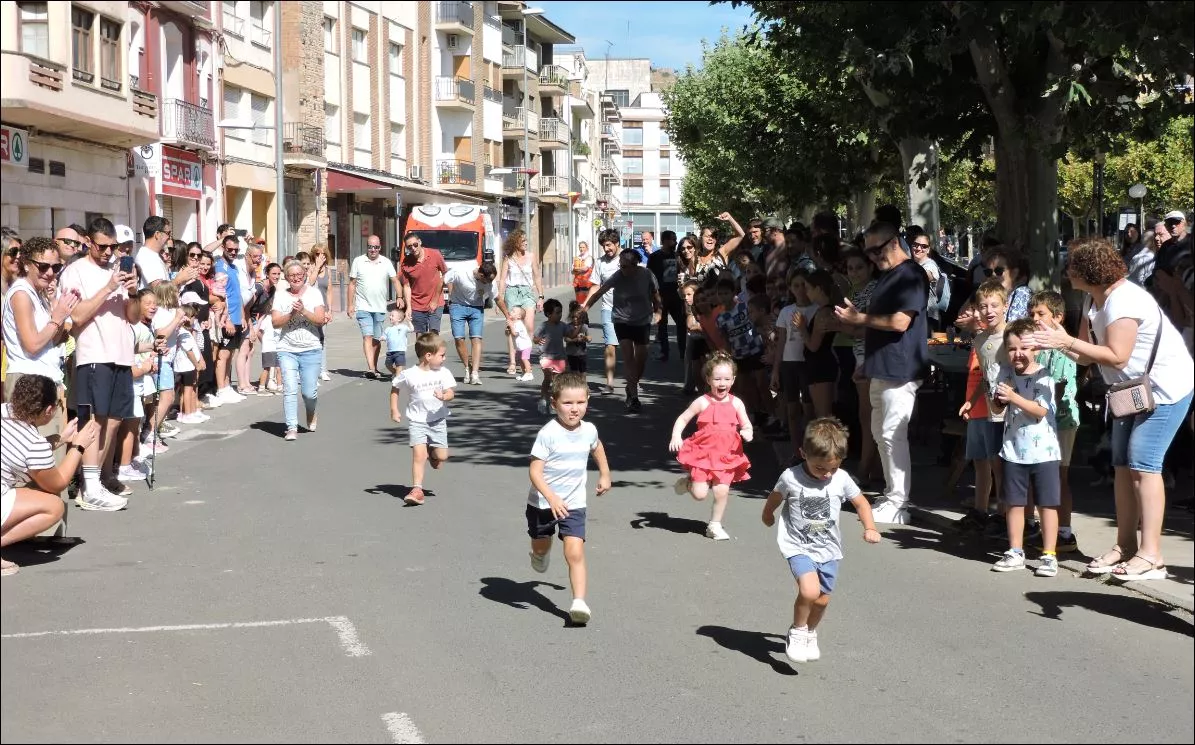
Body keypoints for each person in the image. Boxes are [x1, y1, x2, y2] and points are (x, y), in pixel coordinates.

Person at [1025, 237, 1193, 581]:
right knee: (1121, 465)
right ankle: (1125, 546)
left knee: (1143, 465)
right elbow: (1087, 353)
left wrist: (1065, 340)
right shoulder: (1094, 299)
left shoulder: (1123, 301)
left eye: (1072, 266)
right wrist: (1059, 338)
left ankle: (1151, 556)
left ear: (1089, 271)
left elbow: (1117, 355)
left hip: (1165, 390)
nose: (1066, 271)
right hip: (1130, 392)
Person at [761, 417, 881, 663]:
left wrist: (870, 527)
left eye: (833, 468)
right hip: (798, 544)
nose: (827, 475)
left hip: (828, 548)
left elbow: (861, 503)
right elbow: (775, 498)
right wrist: (767, 515)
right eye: (820, 468)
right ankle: (797, 630)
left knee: (823, 599)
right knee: (809, 590)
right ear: (803, 453)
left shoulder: (842, 479)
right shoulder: (791, 477)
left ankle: (811, 632)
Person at [833, 221, 929, 525]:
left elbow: (901, 323)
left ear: (894, 241)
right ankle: (891, 496)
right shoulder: (888, 276)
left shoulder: (911, 273)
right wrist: (866, 362)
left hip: (900, 368)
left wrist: (860, 317)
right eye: (868, 252)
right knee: (880, 433)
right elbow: (877, 326)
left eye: (876, 250)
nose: (873, 257)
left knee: (891, 434)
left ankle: (900, 501)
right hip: (881, 366)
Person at [57, 217, 139, 511]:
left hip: (121, 354)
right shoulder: (75, 272)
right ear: (89, 243)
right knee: (93, 421)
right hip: (93, 355)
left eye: (113, 246)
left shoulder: (117, 270)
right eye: (102, 246)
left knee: (114, 421)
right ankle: (87, 486)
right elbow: (76, 316)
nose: (108, 252)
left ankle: (96, 482)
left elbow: (133, 316)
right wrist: (108, 287)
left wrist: (131, 292)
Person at [526, 372, 612, 626]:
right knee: (541, 545)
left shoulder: (589, 430)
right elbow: (535, 470)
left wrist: (605, 474)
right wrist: (551, 497)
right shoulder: (548, 433)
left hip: (573, 503)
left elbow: (597, 447)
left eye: (580, 403)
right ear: (554, 404)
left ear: (587, 401)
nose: (575, 409)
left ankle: (579, 602)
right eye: (567, 403)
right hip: (542, 504)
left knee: (575, 551)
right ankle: (539, 553)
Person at [2, 375, 102, 575]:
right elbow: (57, 483)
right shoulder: (33, 443)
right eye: (57, 404)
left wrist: (60, 439)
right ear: (48, 410)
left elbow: (21, 451)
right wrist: (79, 446)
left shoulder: (4, 410)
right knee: (53, 506)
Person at [988, 319, 1063, 576]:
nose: (1018, 354)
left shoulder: (1044, 376)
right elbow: (997, 408)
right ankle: (1015, 550)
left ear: (1036, 350)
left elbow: (1040, 410)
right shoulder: (1004, 374)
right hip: (1013, 449)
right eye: (1012, 348)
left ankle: (1050, 554)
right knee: (1014, 503)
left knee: (1048, 503)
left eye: (1024, 348)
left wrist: (1013, 397)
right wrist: (998, 401)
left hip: (1044, 452)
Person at [670, 352, 754, 541]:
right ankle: (689, 483)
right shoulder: (702, 402)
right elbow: (683, 418)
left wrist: (747, 432)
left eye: (726, 378)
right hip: (703, 455)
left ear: (733, 379)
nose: (721, 383)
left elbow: (747, 424)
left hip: (727, 456)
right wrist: (676, 435)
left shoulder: (737, 403)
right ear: (708, 379)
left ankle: (714, 525)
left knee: (721, 490)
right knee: (700, 495)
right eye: (717, 379)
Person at [955, 281, 1010, 533]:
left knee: (1001, 464)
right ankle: (987, 513)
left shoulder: (1011, 336)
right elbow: (987, 375)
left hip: (1008, 410)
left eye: (994, 305)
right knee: (989, 460)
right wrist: (972, 399)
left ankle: (1004, 515)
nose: (989, 311)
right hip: (987, 408)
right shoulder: (980, 339)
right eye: (983, 306)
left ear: (1005, 306)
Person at [2, 238, 77, 419]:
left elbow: (52, 341)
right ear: (27, 264)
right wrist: (57, 317)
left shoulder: (38, 293)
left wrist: (60, 309)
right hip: (27, 382)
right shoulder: (21, 293)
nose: (50, 273)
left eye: (55, 267)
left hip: (45, 378)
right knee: (36, 446)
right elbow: (33, 344)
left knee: (54, 444)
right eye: (43, 267)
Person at [1028, 291, 1080, 553]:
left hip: (1061, 420)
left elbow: (1057, 389)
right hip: (1042, 419)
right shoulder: (1039, 347)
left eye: (1041, 314)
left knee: (1060, 476)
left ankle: (1065, 531)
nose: (1035, 318)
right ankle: (1046, 526)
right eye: (1033, 314)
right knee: (1044, 477)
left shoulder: (1060, 349)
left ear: (1058, 317)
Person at [583, 248, 662, 413]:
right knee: (628, 358)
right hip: (622, 320)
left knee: (641, 359)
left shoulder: (646, 275)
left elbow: (655, 295)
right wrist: (585, 308)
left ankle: (631, 384)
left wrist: (659, 311)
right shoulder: (618, 276)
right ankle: (633, 396)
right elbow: (599, 292)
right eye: (621, 265)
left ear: (635, 265)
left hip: (642, 320)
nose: (622, 269)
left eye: (625, 266)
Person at [390, 332, 456, 506]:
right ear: (428, 356)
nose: (444, 358)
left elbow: (451, 393)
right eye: (441, 355)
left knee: (442, 457)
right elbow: (395, 387)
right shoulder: (409, 374)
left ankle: (433, 454)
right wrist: (394, 409)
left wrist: (444, 396)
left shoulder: (443, 372)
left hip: (438, 420)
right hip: (417, 421)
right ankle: (417, 489)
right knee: (419, 455)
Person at [270, 259, 328, 441]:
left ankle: (311, 412)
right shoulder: (280, 295)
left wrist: (303, 311)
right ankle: (291, 427)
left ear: (304, 275)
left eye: (299, 275)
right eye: (292, 275)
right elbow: (275, 322)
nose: (296, 278)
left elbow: (320, 320)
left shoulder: (314, 294)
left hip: (311, 349)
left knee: (309, 393)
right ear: (286, 278)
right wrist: (291, 314)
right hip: (287, 349)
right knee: (290, 389)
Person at [348, 236, 404, 379]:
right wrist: (350, 304)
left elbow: (395, 280)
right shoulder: (358, 261)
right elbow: (352, 284)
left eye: (376, 247)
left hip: (379, 307)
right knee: (367, 336)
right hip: (363, 306)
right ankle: (371, 368)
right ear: (366, 247)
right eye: (370, 247)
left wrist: (399, 297)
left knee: (377, 339)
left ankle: (375, 366)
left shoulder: (385, 262)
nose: (373, 250)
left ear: (380, 247)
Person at [495, 229, 544, 375]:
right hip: (512, 292)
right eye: (523, 241)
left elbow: (537, 276)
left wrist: (541, 296)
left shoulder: (531, 256)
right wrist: (501, 297)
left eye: (526, 240)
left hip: (527, 293)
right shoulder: (508, 258)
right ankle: (512, 362)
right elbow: (503, 278)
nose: (526, 243)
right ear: (515, 242)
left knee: (529, 327)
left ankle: (525, 359)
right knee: (513, 327)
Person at [444, 262, 496, 384]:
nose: (489, 283)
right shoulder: (461, 271)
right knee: (459, 338)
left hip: (476, 308)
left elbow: (498, 298)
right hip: (457, 306)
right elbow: (443, 280)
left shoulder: (490, 283)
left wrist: (508, 316)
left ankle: (475, 373)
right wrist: (436, 301)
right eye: (487, 280)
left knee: (476, 338)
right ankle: (467, 368)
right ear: (480, 274)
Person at [213, 235, 248, 402]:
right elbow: (220, 295)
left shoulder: (233, 268)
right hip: (226, 318)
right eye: (230, 249)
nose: (233, 252)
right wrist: (226, 319)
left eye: (236, 250)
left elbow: (237, 294)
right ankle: (221, 388)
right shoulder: (219, 267)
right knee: (224, 354)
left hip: (236, 317)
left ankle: (227, 385)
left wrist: (242, 316)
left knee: (231, 353)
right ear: (223, 248)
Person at [588, 230, 622, 395]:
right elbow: (595, 285)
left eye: (608, 245)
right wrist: (585, 306)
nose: (606, 249)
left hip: (629, 310)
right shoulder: (600, 262)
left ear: (616, 243)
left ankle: (633, 380)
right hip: (608, 308)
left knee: (632, 348)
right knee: (610, 346)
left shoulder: (627, 259)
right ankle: (609, 383)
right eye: (603, 246)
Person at [399, 232, 448, 334]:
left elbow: (445, 274)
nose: (413, 248)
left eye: (415, 245)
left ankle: (434, 350)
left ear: (420, 242)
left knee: (433, 334)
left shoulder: (435, 254)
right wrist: (408, 307)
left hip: (436, 302)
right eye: (409, 247)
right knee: (420, 337)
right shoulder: (406, 263)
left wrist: (435, 300)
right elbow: (407, 286)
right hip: (417, 304)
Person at [648, 230, 685, 362]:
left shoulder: (678, 256)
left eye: (675, 239)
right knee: (662, 325)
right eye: (672, 239)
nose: (674, 242)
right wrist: (653, 297)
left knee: (682, 323)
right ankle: (664, 352)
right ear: (664, 241)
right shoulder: (655, 257)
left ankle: (683, 351)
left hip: (676, 295)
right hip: (660, 296)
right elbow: (650, 277)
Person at [534, 299, 567, 415]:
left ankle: (554, 403)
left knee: (557, 382)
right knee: (548, 378)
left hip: (559, 357)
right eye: (557, 313)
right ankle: (543, 400)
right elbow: (535, 338)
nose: (560, 315)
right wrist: (539, 340)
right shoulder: (543, 326)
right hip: (546, 357)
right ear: (548, 314)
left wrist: (579, 327)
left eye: (561, 312)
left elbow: (570, 335)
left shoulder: (563, 326)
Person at [306, 243, 334, 382]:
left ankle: (323, 369)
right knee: (311, 339)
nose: (320, 256)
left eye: (323, 254)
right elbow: (309, 283)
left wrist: (329, 309)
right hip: (310, 309)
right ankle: (311, 369)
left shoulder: (328, 271)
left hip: (323, 309)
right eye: (317, 254)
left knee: (322, 339)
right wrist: (316, 267)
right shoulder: (310, 268)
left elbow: (329, 291)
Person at [383, 304, 413, 378]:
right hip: (390, 351)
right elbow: (384, 335)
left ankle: (398, 378)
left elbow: (412, 329)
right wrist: (383, 337)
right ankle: (395, 372)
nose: (390, 317)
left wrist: (409, 322)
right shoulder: (388, 329)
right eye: (390, 315)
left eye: (392, 316)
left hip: (400, 351)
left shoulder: (403, 327)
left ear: (399, 319)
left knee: (399, 365)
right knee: (387, 364)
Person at [564, 301, 589, 374]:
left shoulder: (584, 326)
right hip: (571, 354)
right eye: (573, 317)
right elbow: (566, 339)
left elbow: (589, 337)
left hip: (582, 353)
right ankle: (575, 385)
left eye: (577, 318)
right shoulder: (568, 327)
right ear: (570, 317)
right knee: (574, 372)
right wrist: (574, 340)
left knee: (583, 372)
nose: (575, 319)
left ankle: (584, 385)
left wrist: (586, 338)